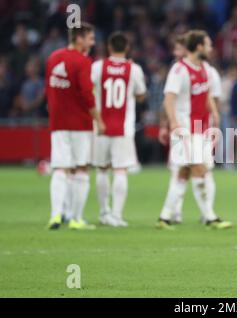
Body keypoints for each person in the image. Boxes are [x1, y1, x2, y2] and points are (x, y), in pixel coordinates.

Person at [157, 30, 232, 230]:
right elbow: (169, 98)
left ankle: (164, 217)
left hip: (201, 129)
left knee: (183, 172)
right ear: (198, 46)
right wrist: (173, 122)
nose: (210, 48)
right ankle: (209, 216)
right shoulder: (179, 70)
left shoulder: (205, 69)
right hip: (185, 129)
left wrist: (214, 112)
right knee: (200, 169)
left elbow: (206, 93)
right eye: (207, 44)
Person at [46, 22, 105, 230]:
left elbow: (49, 90)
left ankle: (56, 215)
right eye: (90, 38)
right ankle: (76, 218)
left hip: (58, 123)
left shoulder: (53, 58)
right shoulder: (83, 61)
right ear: (79, 38)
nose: (93, 41)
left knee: (61, 168)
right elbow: (87, 94)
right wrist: (98, 119)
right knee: (81, 168)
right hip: (80, 123)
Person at [91, 32, 147, 227]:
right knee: (120, 170)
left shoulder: (98, 67)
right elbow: (141, 95)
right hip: (123, 128)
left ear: (108, 47)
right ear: (127, 48)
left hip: (100, 126)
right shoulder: (134, 69)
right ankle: (116, 214)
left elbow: (88, 90)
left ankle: (103, 212)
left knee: (102, 169)